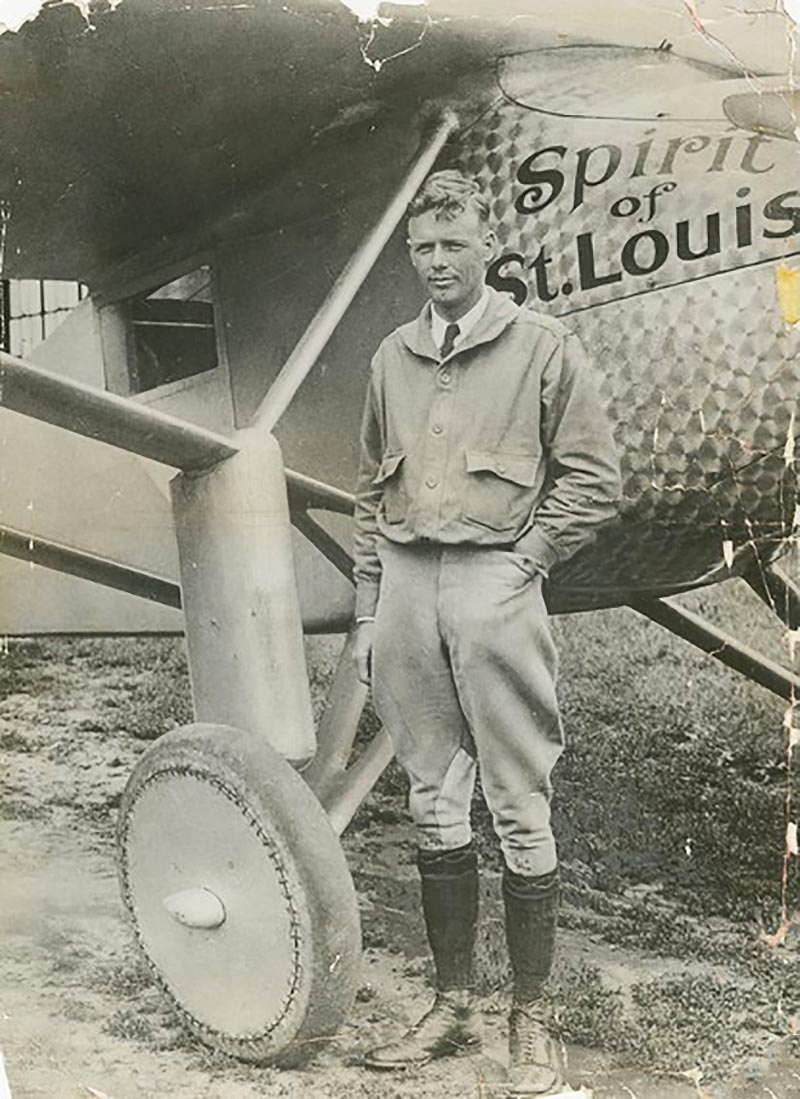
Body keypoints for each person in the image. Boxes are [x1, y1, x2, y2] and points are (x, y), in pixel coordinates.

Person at [351, 169, 621, 1096]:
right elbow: (368, 490)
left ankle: (529, 1017)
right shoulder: (392, 356)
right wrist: (368, 606)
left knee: (518, 802)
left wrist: (526, 559)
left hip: (494, 585)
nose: (437, 263)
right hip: (405, 588)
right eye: (423, 248)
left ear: (487, 247)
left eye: (453, 246)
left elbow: (593, 478)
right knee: (432, 797)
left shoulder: (542, 347)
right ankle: (453, 1004)